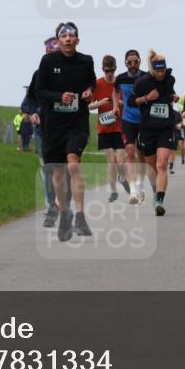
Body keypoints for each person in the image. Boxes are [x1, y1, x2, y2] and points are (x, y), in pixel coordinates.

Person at [35, 21, 96, 241]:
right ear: (58, 40)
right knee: (58, 172)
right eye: (64, 36)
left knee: (73, 164)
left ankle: (80, 215)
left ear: (77, 40)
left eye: (72, 36)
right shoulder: (47, 61)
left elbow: (91, 82)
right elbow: (39, 91)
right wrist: (59, 96)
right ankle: (64, 214)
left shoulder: (86, 61)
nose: (68, 39)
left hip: (77, 123)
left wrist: (89, 91)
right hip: (53, 126)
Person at [22, 37, 70, 226]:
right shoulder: (39, 74)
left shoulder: (72, 73)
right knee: (48, 168)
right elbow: (28, 102)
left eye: (56, 52)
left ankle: (62, 202)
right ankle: (52, 205)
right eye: (50, 53)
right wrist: (33, 112)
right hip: (43, 130)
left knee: (63, 168)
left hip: (65, 128)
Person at [132, 50, 180, 216]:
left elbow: (170, 92)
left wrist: (173, 97)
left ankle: (159, 200)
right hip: (148, 130)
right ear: (152, 69)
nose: (161, 73)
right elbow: (132, 102)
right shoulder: (142, 83)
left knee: (162, 164)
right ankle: (155, 190)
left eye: (163, 70)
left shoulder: (170, 79)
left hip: (165, 128)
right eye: (158, 70)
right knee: (152, 169)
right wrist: (147, 98)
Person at [90, 55, 126, 202]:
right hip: (104, 129)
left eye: (112, 70)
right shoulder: (97, 84)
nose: (110, 73)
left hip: (120, 128)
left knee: (120, 162)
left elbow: (131, 102)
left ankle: (122, 178)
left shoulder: (121, 83)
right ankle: (113, 191)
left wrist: (120, 103)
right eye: (107, 71)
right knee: (111, 161)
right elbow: (88, 106)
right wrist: (100, 103)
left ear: (115, 69)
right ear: (103, 70)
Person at [114, 49, 146, 204]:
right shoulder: (120, 78)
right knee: (130, 152)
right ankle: (132, 191)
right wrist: (115, 106)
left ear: (139, 62)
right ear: (125, 63)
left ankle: (140, 184)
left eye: (135, 61)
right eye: (129, 62)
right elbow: (115, 92)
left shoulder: (146, 77)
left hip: (144, 121)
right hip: (128, 120)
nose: (133, 64)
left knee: (143, 155)